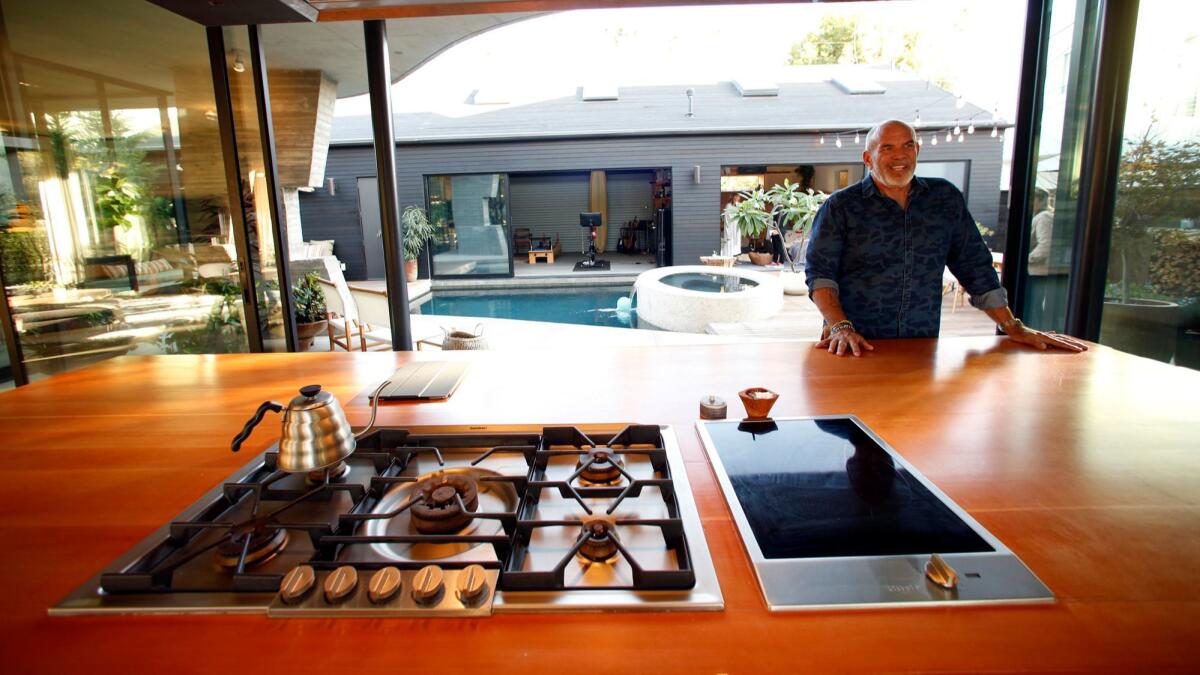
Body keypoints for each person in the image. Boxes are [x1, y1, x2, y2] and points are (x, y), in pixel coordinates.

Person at [804, 119, 1086, 356]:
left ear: (918, 150)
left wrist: (1011, 325)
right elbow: (820, 274)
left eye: (907, 146)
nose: (899, 156)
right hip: (854, 346)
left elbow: (974, 266)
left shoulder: (944, 199)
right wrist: (841, 326)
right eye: (887, 148)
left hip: (922, 345)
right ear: (868, 158)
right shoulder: (841, 206)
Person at [1025, 188, 1055, 329]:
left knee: (1034, 310)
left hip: (1037, 272)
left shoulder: (1044, 217)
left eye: (1034, 199)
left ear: (1042, 200)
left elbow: (1046, 246)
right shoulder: (1038, 216)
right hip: (1034, 271)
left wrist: (1027, 258)